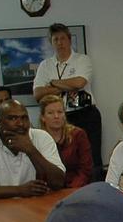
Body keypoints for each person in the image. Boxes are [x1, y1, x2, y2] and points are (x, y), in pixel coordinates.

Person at [32, 22, 102, 180]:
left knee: (91, 157)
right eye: (55, 39)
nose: (59, 43)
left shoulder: (82, 60)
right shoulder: (45, 65)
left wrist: (52, 83)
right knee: (63, 157)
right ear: (51, 42)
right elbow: (37, 94)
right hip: (60, 117)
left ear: (69, 40)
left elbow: (79, 83)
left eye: (62, 38)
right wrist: (66, 86)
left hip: (85, 114)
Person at [0, 100, 65, 200]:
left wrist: (31, 150)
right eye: (12, 118)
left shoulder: (42, 137)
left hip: (33, 206)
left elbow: (58, 182)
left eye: (24, 118)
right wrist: (19, 190)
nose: (20, 123)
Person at [38, 94, 92, 189]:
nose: (56, 116)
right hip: (48, 190)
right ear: (43, 117)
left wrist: (71, 189)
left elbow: (85, 170)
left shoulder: (78, 135)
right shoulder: (37, 139)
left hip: (76, 188)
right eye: (50, 113)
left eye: (60, 112)